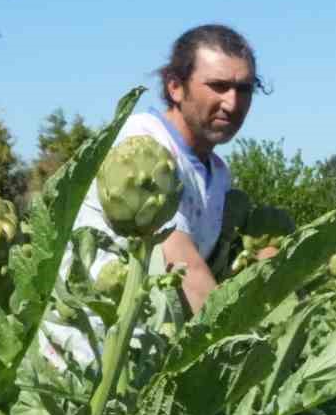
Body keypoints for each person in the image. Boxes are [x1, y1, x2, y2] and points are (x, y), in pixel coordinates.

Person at [45, 24, 269, 366]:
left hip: (144, 359)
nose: (233, 102)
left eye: (244, 89)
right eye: (218, 86)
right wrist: (247, 357)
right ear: (175, 86)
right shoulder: (144, 147)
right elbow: (182, 265)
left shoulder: (218, 173)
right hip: (81, 358)